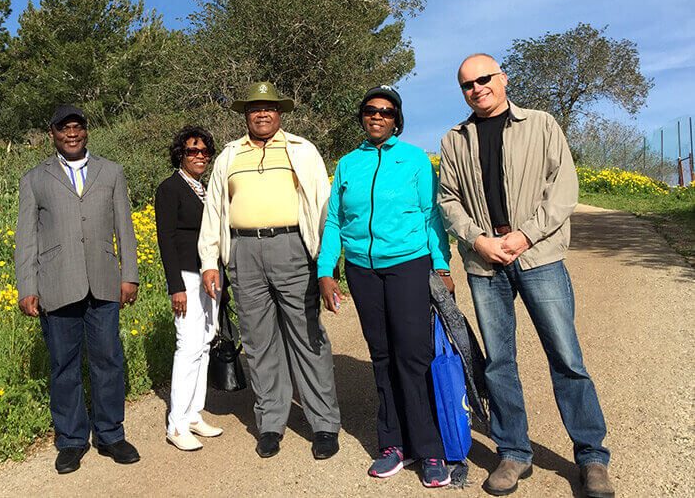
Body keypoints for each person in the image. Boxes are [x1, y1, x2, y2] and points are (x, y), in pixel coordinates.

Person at [438, 54, 613, 498]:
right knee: (499, 362)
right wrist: (478, 241)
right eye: (467, 85)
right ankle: (513, 451)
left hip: (538, 256)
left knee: (566, 358)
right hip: (485, 261)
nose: (477, 89)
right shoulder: (455, 139)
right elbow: (448, 199)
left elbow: (564, 188)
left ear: (503, 78)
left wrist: (525, 236)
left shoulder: (541, 124)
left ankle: (592, 457)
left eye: (484, 79)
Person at [317, 85, 454, 488]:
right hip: (363, 270)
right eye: (370, 110)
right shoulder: (347, 164)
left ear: (397, 119)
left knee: (413, 355)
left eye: (386, 111)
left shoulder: (414, 160)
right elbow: (335, 222)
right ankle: (393, 444)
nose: (377, 116)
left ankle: (430, 448)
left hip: (409, 266)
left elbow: (432, 218)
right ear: (362, 116)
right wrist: (327, 270)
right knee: (382, 356)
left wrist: (442, 265)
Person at [198, 81, 341, 460]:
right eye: (254, 108)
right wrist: (210, 262)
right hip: (243, 251)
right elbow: (214, 210)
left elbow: (324, 207)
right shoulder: (229, 156)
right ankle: (271, 423)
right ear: (245, 114)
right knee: (259, 342)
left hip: (292, 247)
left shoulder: (301, 149)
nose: (262, 113)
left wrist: (327, 263)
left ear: (279, 113)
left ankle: (324, 424)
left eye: (268, 107)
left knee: (306, 336)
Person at [15, 105, 141, 474]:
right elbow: (26, 239)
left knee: (108, 360)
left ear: (87, 131)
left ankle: (110, 435)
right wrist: (27, 286)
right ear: (52, 133)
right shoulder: (34, 179)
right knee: (63, 365)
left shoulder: (111, 171)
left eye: (78, 127)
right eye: (63, 128)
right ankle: (70, 440)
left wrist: (129, 274)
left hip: (103, 282)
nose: (72, 134)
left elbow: (125, 228)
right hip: (57, 284)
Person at [155, 126, 224, 451]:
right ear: (180, 154)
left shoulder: (205, 188)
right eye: (192, 151)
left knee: (206, 343)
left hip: (210, 276)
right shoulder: (170, 189)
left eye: (204, 151)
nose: (199, 156)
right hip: (187, 277)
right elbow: (166, 240)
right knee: (187, 346)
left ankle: (194, 413)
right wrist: (176, 287)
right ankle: (177, 423)